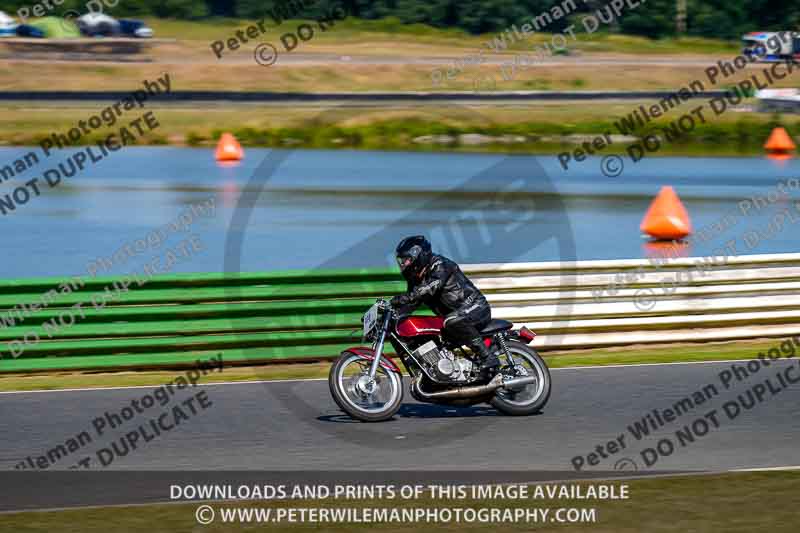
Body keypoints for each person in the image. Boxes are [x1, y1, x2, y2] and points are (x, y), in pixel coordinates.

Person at [389, 235, 500, 379]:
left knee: (452, 320)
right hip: (454, 316)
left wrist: (401, 299)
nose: (403, 264)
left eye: (406, 259)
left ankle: (488, 357)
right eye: (401, 261)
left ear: (419, 255)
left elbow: (430, 288)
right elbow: (412, 301)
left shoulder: (440, 264)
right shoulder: (415, 278)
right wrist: (393, 316)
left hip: (475, 307)